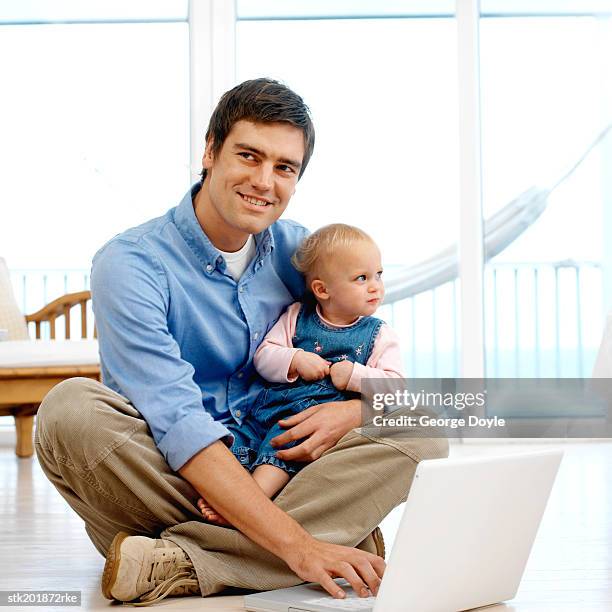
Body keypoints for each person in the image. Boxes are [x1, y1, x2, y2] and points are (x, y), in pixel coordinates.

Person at [34, 78, 449, 607]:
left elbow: (362, 352)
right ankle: (310, 543)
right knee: (70, 410)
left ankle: (177, 563)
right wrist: (299, 545)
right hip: (172, 475)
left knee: (422, 426)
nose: (263, 181)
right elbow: (177, 420)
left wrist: (351, 415)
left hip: (279, 463)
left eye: (284, 168)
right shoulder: (130, 263)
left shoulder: (302, 252)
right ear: (210, 150)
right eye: (248, 156)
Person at [198, 224, 404, 526]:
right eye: (362, 278)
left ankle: (246, 505)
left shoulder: (378, 335)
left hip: (308, 423)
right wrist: (295, 359)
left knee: (280, 447)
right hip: (266, 411)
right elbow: (264, 356)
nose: (376, 286)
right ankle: (228, 489)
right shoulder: (297, 316)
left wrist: (354, 375)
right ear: (322, 290)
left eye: (379, 275)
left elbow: (396, 387)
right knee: (233, 443)